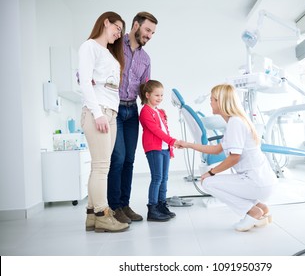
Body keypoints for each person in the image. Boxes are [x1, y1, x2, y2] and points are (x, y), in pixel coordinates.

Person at [177, 84, 277, 232]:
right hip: (262, 180)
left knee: (208, 183)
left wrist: (211, 172)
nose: (210, 102)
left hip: (256, 181)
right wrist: (188, 145)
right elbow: (216, 149)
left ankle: (252, 212)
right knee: (212, 180)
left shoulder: (235, 123)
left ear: (220, 101)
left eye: (212, 99)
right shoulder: (236, 121)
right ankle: (261, 208)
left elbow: (234, 158)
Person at [78, 11, 129, 232]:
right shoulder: (89, 46)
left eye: (121, 32)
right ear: (105, 22)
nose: (118, 34)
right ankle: (102, 215)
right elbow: (85, 84)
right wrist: (97, 113)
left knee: (100, 167)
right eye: (116, 28)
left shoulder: (109, 54)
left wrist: (108, 114)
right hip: (97, 112)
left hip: (111, 113)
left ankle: (91, 215)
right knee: (101, 167)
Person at [107, 12, 158, 224]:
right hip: (114, 109)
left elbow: (144, 89)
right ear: (136, 25)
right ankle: (114, 206)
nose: (149, 35)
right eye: (147, 30)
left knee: (129, 159)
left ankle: (125, 205)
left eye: (153, 33)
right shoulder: (115, 45)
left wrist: (153, 112)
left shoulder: (146, 59)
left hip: (132, 111)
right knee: (117, 158)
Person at [139, 80, 178, 221]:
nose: (160, 98)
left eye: (161, 95)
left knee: (164, 178)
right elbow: (155, 130)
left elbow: (164, 128)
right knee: (157, 178)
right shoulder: (145, 111)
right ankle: (152, 209)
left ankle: (162, 205)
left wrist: (169, 146)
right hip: (154, 148)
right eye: (157, 95)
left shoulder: (159, 111)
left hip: (164, 148)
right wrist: (172, 141)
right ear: (147, 95)